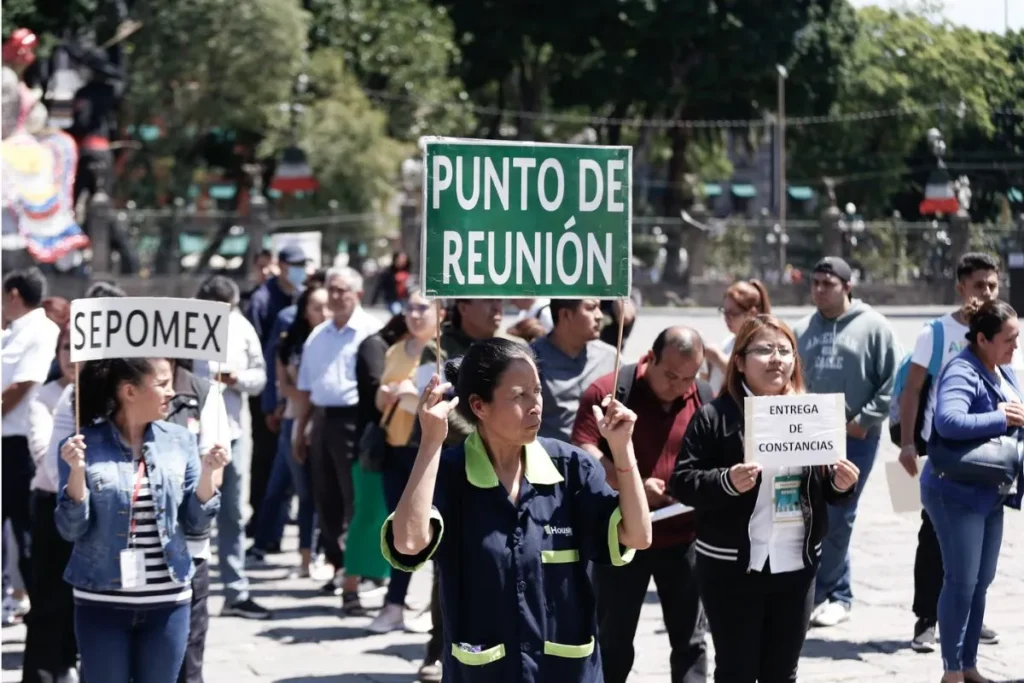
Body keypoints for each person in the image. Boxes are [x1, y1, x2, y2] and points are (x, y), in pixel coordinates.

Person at [382, 338, 652, 683]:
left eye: (537, 391)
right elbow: (408, 543)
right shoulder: (449, 471)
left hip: (567, 671)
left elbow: (639, 536)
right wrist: (430, 443)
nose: (535, 405)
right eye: (518, 396)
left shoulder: (570, 467)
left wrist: (623, 450)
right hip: (482, 672)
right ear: (479, 406)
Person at [671, 314, 860, 683]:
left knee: (782, 672)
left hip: (797, 563)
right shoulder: (715, 416)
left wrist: (840, 483)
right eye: (764, 350)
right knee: (736, 671)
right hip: (732, 566)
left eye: (784, 350)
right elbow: (682, 481)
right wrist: (727, 481)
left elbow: (829, 492)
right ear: (739, 361)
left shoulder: (813, 414)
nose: (776, 359)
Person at [55, 357, 229, 683]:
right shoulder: (80, 445)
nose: (172, 392)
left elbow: (196, 524)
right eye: (162, 384)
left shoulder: (180, 440)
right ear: (129, 392)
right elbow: (70, 529)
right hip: (101, 601)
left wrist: (207, 475)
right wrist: (76, 474)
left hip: (169, 601)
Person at [573, 327, 711, 683]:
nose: (679, 386)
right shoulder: (610, 392)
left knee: (691, 640)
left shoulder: (703, 397)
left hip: (683, 537)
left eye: (688, 378)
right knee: (614, 637)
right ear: (650, 358)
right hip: (622, 536)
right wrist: (629, 484)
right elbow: (584, 452)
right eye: (670, 375)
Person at [897, 253, 1007, 652]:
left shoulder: (1001, 332)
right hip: (938, 450)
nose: (987, 293)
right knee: (934, 534)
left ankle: (969, 615)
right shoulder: (936, 333)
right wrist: (908, 443)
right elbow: (911, 390)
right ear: (961, 286)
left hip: (986, 449)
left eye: (993, 285)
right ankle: (926, 618)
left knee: (980, 536)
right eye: (980, 285)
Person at [792, 256, 899, 627]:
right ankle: (818, 588)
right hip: (808, 434)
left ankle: (836, 595)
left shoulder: (874, 326)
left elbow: (891, 381)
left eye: (828, 283)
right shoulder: (802, 328)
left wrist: (865, 419)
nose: (820, 290)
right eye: (815, 283)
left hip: (855, 436)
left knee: (840, 514)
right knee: (807, 512)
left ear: (847, 286)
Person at [923, 299, 1023, 683]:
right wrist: (1002, 417)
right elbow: (948, 422)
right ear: (982, 339)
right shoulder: (962, 369)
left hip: (989, 491)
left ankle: (968, 665)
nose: (1015, 346)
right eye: (1008, 339)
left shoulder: (1001, 369)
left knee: (981, 583)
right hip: (955, 494)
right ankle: (951, 671)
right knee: (961, 581)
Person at [292, 267, 382, 586]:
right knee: (325, 496)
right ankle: (338, 564)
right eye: (332, 289)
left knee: (356, 498)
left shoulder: (371, 330)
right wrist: (299, 429)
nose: (336, 296)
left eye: (343, 290)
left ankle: (365, 570)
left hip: (357, 420)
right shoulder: (318, 335)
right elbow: (305, 388)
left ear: (358, 294)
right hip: (322, 420)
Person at [193, 276, 270, 619]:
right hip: (192, 434)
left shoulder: (241, 328)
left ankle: (235, 591)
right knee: (191, 511)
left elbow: (260, 376)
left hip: (233, 432)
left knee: (233, 514)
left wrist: (236, 379)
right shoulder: (188, 325)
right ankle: (188, 589)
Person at [369, 289, 444, 634]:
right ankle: (395, 603)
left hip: (425, 452)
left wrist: (411, 395)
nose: (414, 315)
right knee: (397, 528)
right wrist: (386, 395)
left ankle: (425, 606)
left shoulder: (443, 354)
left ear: (440, 314)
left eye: (422, 308)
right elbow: (381, 399)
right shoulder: (397, 349)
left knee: (430, 530)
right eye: (410, 308)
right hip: (394, 448)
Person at [250, 282, 329, 575]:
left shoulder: (330, 340)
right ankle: (266, 544)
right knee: (284, 488)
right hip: (293, 422)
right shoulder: (291, 341)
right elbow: (284, 383)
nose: (322, 313)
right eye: (315, 307)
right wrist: (300, 398)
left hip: (321, 423)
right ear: (304, 311)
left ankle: (316, 552)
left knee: (315, 493)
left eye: (325, 307)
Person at [164, 358, 230, 683]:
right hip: (125, 556)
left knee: (187, 661)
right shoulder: (117, 389)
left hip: (187, 549)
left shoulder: (202, 392)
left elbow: (213, 476)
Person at [342, 314, 410, 615]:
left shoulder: (423, 350)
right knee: (367, 517)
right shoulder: (377, 346)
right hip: (375, 448)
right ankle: (350, 588)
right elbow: (377, 388)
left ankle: (394, 588)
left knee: (398, 522)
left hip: (402, 447)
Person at [21, 326, 77, 683]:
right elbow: (45, 454)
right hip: (50, 508)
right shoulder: (44, 397)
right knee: (47, 602)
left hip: (90, 512)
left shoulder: (109, 396)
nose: (72, 356)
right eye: (66, 348)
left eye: (79, 348)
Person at [2, 267, 60, 604]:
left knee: (25, 534)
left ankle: (40, 611)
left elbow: (23, 384)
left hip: (20, 445)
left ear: (13, 295)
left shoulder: (39, 331)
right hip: (6, 444)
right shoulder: (13, 332)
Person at [246, 245, 311, 529]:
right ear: (281, 266)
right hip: (268, 394)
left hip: (298, 395)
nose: (299, 270)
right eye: (294, 265)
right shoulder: (261, 301)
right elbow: (260, 355)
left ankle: (281, 516)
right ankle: (261, 516)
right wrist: (271, 402)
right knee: (266, 457)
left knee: (292, 459)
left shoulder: (302, 296)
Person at [532, 299, 617, 442]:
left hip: (599, 460)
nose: (599, 315)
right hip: (551, 458)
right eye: (591, 308)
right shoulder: (531, 361)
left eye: (599, 308)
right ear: (565, 314)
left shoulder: (611, 358)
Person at [703, 280, 771, 394]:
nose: (726, 318)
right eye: (724, 312)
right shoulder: (728, 341)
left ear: (752, 313)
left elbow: (749, 379)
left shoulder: (763, 343)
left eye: (733, 313)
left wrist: (717, 357)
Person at [372, 250, 413, 315]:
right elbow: (379, 286)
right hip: (393, 300)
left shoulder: (407, 272)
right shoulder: (388, 272)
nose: (402, 262)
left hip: (406, 300)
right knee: (398, 314)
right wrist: (374, 300)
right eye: (400, 259)